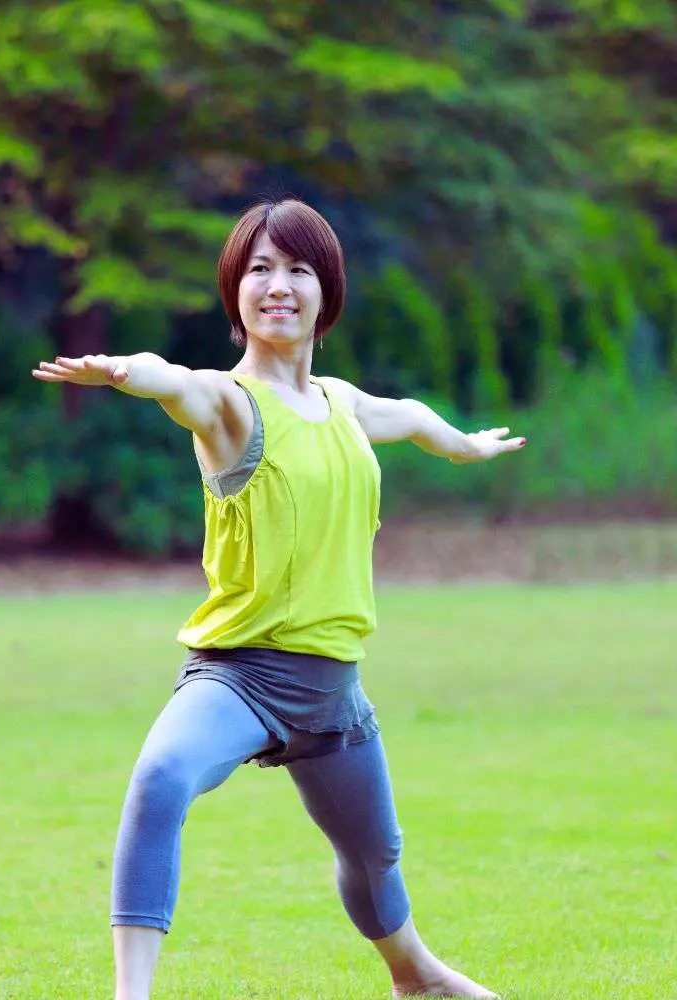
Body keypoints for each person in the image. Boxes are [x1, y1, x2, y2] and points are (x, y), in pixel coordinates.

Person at [32, 199, 525, 999]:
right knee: (161, 777)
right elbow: (174, 380)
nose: (279, 286)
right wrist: (128, 371)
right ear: (235, 293)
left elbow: (408, 416)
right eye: (259, 269)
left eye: (298, 269)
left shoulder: (342, 403)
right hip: (241, 677)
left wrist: (464, 445)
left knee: (374, 856)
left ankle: (417, 976)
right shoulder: (230, 406)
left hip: (334, 689)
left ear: (326, 289)